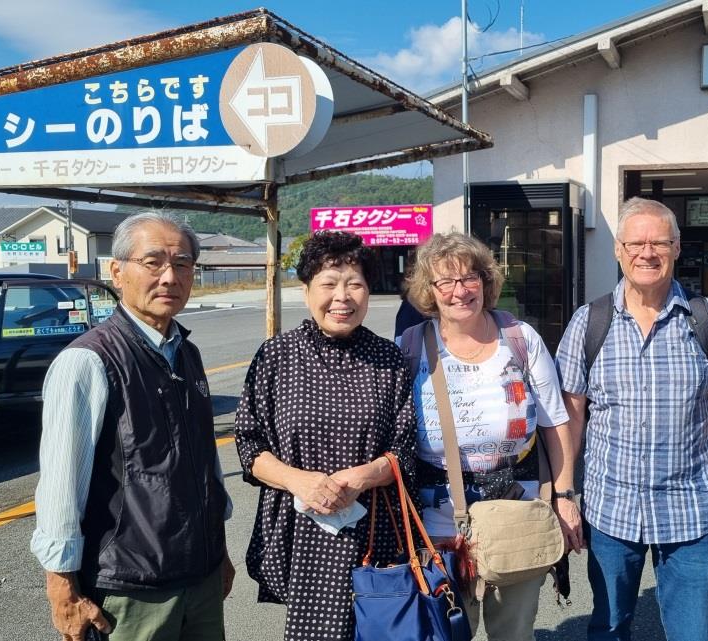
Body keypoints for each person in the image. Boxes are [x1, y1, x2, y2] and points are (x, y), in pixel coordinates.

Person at [556, 197, 708, 641]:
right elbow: (570, 417)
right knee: (608, 627)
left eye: (659, 243)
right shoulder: (588, 323)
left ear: (677, 248)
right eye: (636, 243)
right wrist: (565, 494)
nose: (647, 253)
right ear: (618, 250)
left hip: (692, 512)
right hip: (611, 510)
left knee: (693, 633)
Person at [31, 212, 234, 641]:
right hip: (129, 588)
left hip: (200, 576)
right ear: (117, 272)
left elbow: (204, 464)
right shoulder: (88, 361)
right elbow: (60, 484)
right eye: (153, 262)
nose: (170, 276)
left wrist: (219, 552)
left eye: (182, 263)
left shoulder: (187, 353)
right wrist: (61, 587)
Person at [234, 230, 416, 641]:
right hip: (300, 530)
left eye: (355, 284)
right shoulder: (277, 356)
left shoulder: (388, 359)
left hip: (372, 531)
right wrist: (298, 480)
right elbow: (248, 444)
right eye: (329, 284)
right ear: (306, 291)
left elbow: (405, 450)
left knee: (381, 628)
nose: (342, 297)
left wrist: (363, 477)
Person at [401, 232, 582, 641]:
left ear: (485, 281)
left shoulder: (519, 338)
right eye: (445, 281)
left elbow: (555, 422)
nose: (460, 290)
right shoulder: (411, 346)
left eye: (470, 277)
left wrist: (565, 496)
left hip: (517, 510)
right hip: (437, 523)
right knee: (446, 632)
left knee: (513, 633)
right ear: (429, 289)